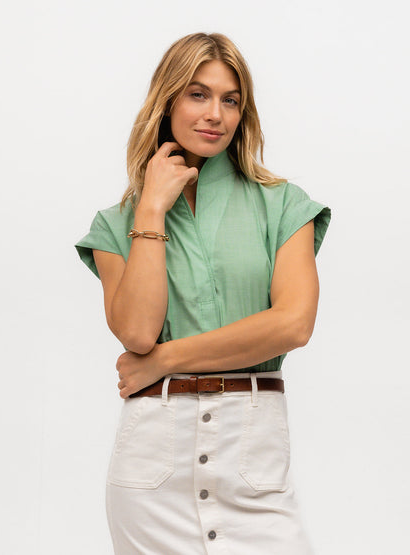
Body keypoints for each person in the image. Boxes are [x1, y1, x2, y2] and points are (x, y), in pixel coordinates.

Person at [75, 32, 331, 555]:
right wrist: (150, 210)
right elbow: (137, 331)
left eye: (230, 99)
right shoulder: (116, 224)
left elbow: (292, 325)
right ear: (166, 100)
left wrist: (162, 361)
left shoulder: (283, 205)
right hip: (152, 466)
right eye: (197, 94)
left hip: (252, 456)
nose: (215, 113)